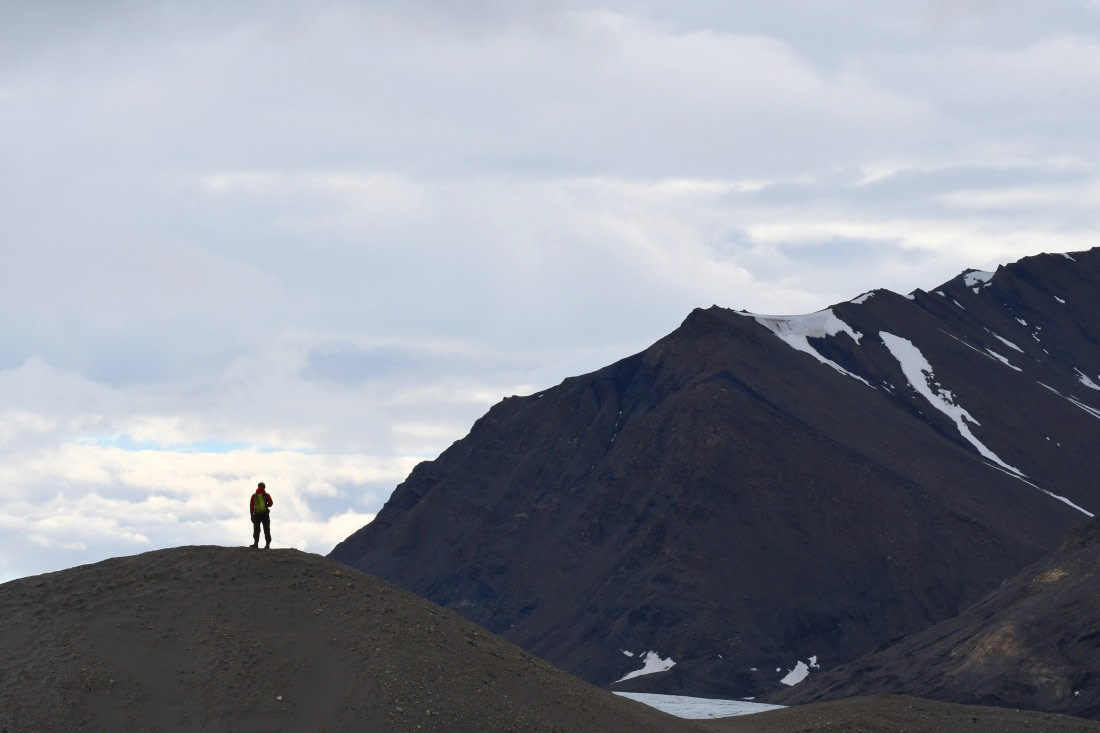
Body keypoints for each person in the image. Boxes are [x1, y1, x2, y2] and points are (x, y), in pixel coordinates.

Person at [249, 481, 273, 549]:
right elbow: (271, 503)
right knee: (266, 530)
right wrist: (266, 505)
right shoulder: (266, 495)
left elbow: (251, 506)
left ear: (258, 486)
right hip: (265, 515)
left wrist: (251, 515)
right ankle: (267, 545)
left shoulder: (254, 496)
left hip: (256, 515)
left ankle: (256, 544)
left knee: (256, 530)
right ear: (264, 487)